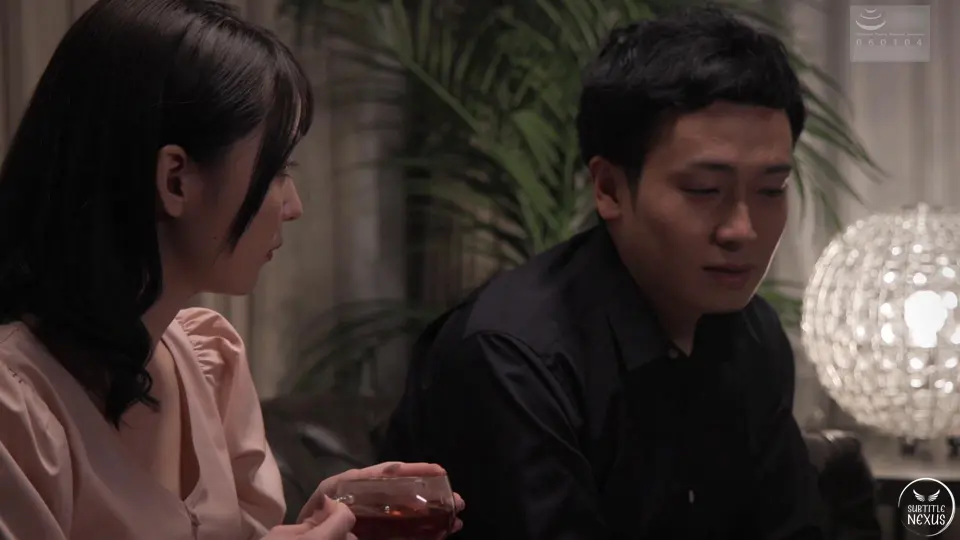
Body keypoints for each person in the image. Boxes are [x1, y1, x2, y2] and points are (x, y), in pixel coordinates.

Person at [0, 1, 462, 539]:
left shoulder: (206, 363)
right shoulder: (17, 409)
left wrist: (311, 524)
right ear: (175, 179)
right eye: (276, 169)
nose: (293, 206)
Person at [378, 6, 826, 539]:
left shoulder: (754, 335)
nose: (743, 230)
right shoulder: (513, 356)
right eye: (704, 190)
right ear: (609, 188)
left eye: (771, 190)